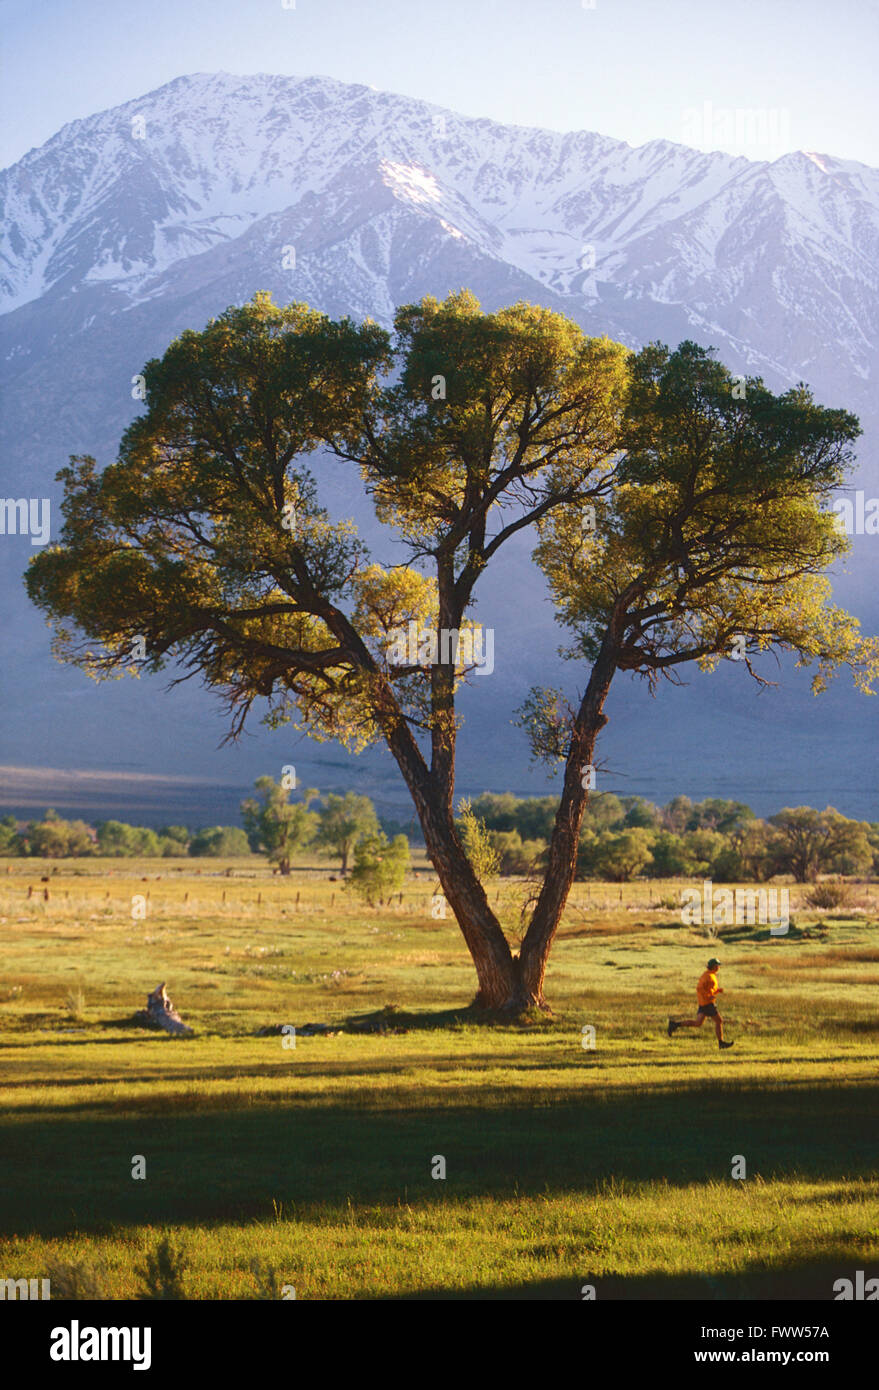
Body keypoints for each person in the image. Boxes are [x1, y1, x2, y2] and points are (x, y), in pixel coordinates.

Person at [668, 957, 734, 1049]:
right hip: (707, 1003)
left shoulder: (711, 975)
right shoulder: (707, 976)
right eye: (718, 966)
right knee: (719, 1021)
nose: (719, 967)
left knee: (698, 1023)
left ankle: (675, 1025)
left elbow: (709, 989)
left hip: (704, 1003)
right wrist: (708, 996)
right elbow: (699, 988)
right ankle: (721, 1043)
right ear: (714, 966)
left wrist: (717, 990)